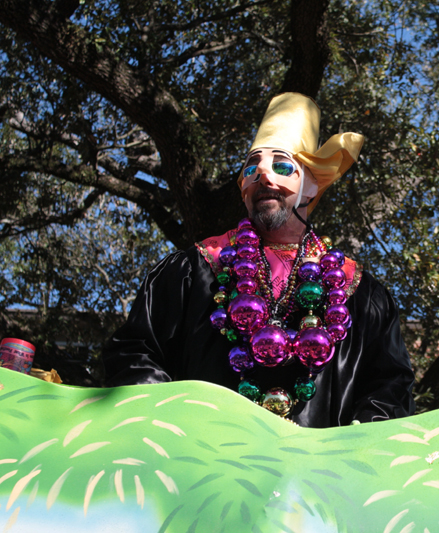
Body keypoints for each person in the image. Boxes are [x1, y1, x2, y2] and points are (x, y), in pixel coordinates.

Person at [102, 93, 415, 427]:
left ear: (309, 186)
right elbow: (134, 352)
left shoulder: (359, 293)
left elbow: (390, 389)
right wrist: (170, 424)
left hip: (316, 474)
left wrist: (353, 445)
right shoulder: (195, 270)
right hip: (201, 464)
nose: (261, 175)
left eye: (281, 166)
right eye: (251, 167)